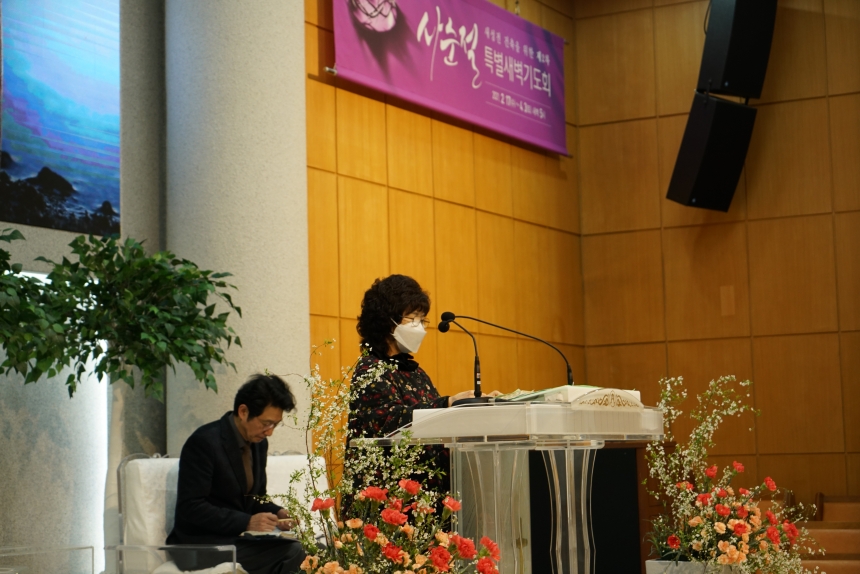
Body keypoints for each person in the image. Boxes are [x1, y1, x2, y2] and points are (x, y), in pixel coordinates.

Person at [347, 274, 498, 493]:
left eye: (422, 319)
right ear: (386, 320)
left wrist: (472, 407)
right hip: (388, 497)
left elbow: (435, 423)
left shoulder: (416, 372)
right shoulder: (371, 369)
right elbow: (388, 423)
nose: (420, 327)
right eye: (412, 319)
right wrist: (449, 403)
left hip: (424, 495)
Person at [167, 374, 305, 574]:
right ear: (243, 411)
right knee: (293, 552)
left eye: (275, 425)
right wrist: (246, 521)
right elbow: (191, 507)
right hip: (201, 545)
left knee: (315, 548)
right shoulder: (204, 442)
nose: (270, 432)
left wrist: (279, 513)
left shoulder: (259, 443)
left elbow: (255, 498)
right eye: (266, 423)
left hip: (238, 539)